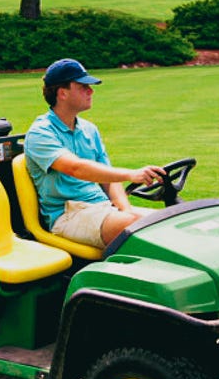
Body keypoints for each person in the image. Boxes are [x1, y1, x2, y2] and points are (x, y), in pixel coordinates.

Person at [21, 57, 167, 249]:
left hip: (101, 208)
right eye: (83, 86)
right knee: (140, 229)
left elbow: (109, 178)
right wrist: (131, 174)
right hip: (67, 214)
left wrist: (125, 210)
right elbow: (75, 168)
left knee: (167, 224)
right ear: (62, 93)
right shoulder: (41, 132)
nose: (91, 91)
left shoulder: (89, 130)